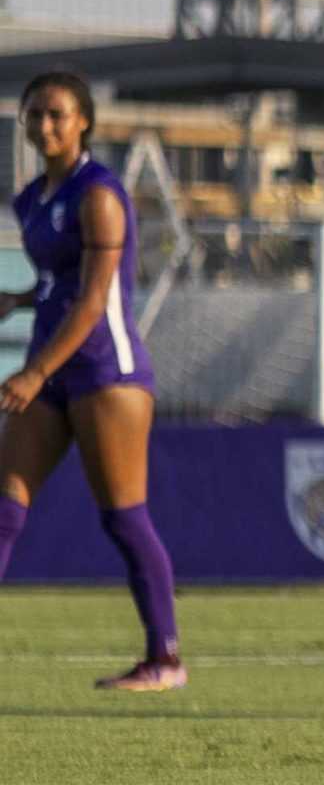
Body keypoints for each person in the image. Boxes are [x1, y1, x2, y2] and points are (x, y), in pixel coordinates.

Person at [1, 72, 184, 691]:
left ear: (83, 122)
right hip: (52, 369)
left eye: (56, 114)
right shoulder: (30, 197)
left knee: (124, 517)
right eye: (34, 115)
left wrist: (33, 370)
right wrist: (20, 298)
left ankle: (166, 659)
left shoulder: (99, 194)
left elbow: (94, 299)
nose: (43, 126)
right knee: (4, 507)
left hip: (107, 372)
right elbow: (59, 284)